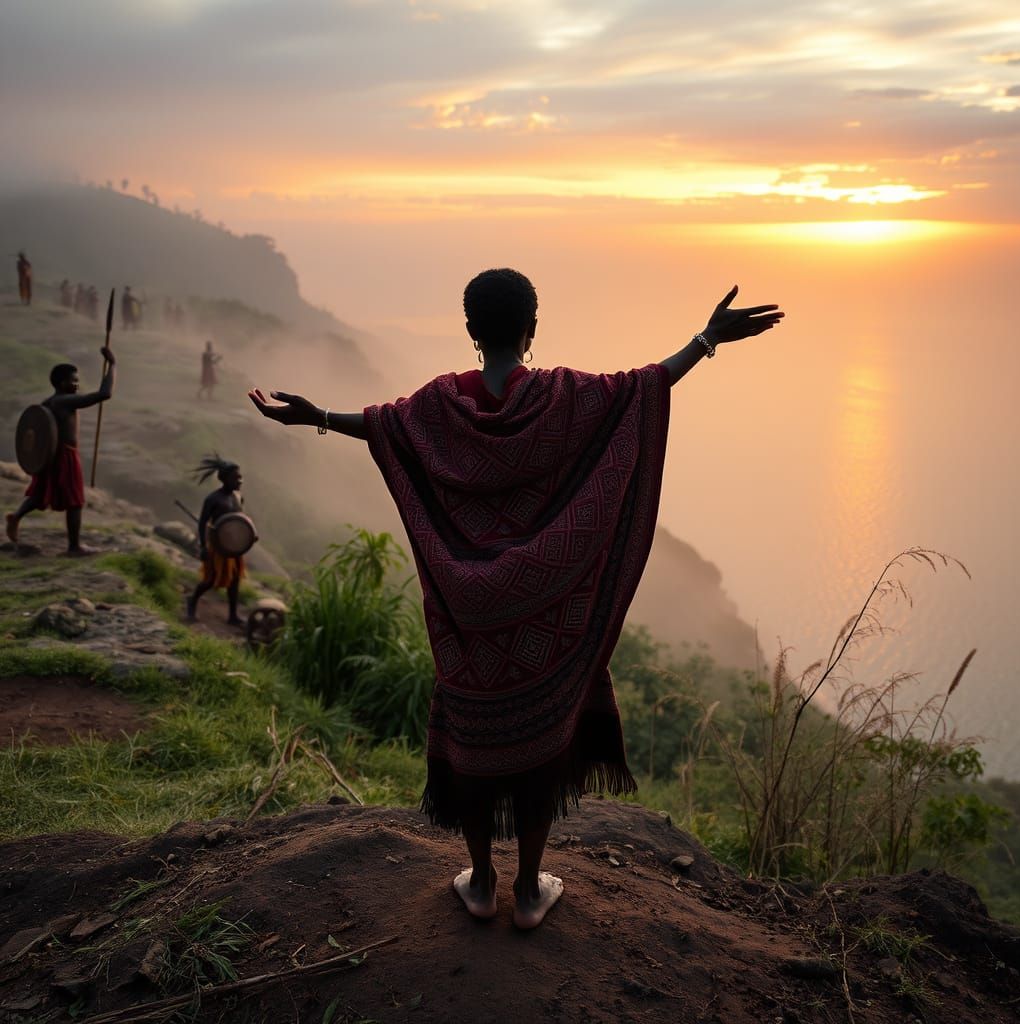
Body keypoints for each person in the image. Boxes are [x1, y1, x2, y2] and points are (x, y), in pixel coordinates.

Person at [249, 269, 783, 929]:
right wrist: (706, 340)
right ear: (532, 328)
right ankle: (529, 891)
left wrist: (316, 417)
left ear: (471, 330)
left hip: (466, 616)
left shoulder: (441, 406)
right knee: (541, 740)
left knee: (471, 734)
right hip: (544, 614)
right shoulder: (562, 398)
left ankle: (480, 883)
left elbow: (386, 428)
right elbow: (643, 388)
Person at [6, 348, 117, 555]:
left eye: (77, 381)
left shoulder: (49, 402)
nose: (76, 385)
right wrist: (112, 365)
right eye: (73, 381)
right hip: (64, 455)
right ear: (61, 383)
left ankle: (16, 516)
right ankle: (74, 547)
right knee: (75, 501)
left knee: (40, 493)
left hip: (51, 455)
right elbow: (104, 394)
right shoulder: (63, 401)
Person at [185, 455, 246, 626]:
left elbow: (241, 520)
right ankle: (192, 600)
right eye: (235, 478)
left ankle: (232, 616)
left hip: (234, 545)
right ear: (224, 479)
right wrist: (203, 547)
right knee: (211, 579)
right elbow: (203, 522)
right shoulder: (213, 499)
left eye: (240, 477)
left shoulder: (238, 496)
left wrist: (249, 536)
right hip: (218, 544)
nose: (240, 481)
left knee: (235, 579)